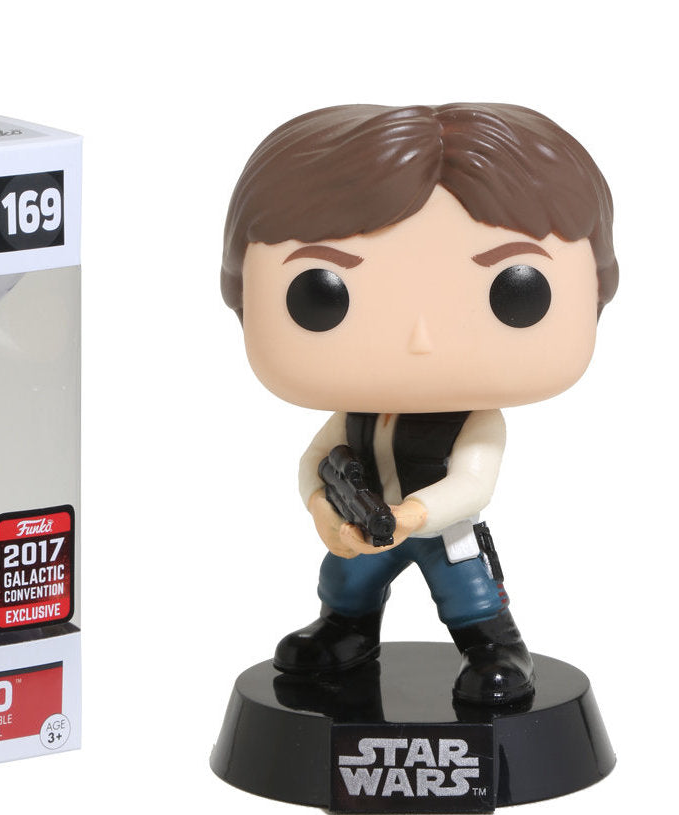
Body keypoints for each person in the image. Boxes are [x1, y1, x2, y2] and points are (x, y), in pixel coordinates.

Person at [221, 104, 617, 705]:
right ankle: (346, 630)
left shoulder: (475, 420)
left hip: (437, 524)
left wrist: (413, 515)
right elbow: (317, 459)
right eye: (322, 293)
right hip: (364, 523)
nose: (420, 340)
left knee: (469, 589)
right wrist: (322, 509)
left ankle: (494, 648)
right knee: (346, 578)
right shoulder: (353, 411)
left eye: (516, 291)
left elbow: (473, 483)